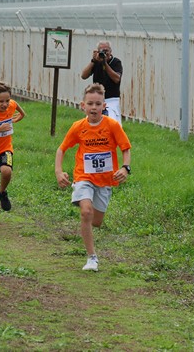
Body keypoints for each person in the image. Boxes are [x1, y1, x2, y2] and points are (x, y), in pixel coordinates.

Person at [55, 83, 131, 271]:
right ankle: (92, 258)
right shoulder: (78, 127)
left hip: (105, 180)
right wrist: (59, 171)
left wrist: (125, 168)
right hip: (83, 176)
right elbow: (61, 149)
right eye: (90, 104)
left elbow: (125, 148)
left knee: (96, 221)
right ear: (83, 106)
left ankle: (87, 228)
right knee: (86, 211)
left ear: (104, 106)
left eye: (98, 104)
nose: (94, 108)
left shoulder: (112, 125)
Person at [0, 82, 26, 211]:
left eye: (7, 100)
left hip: (5, 148)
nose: (5, 104)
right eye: (1, 101)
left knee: (6, 171)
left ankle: (2, 192)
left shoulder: (11, 105)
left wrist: (21, 115)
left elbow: (15, 104)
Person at [80, 40, 123, 124]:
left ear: (110, 51)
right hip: (97, 99)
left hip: (111, 99)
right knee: (92, 122)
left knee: (112, 123)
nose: (104, 53)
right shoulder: (96, 62)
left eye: (106, 51)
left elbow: (117, 79)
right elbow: (83, 76)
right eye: (101, 51)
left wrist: (105, 63)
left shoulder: (116, 62)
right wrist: (93, 61)